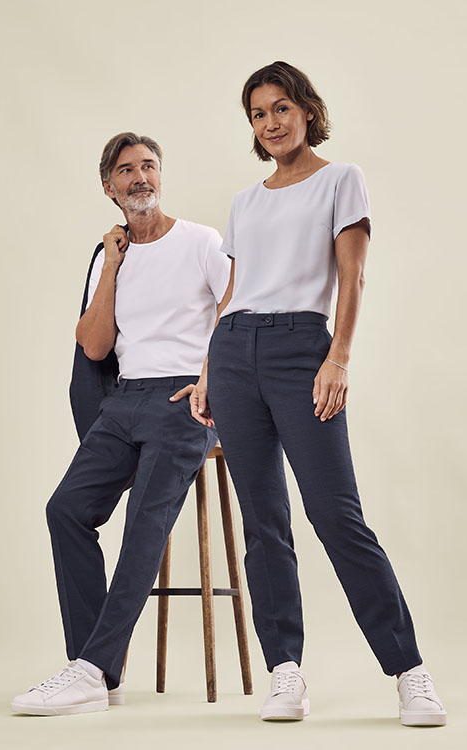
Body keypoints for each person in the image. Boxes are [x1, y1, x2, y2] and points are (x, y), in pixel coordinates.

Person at [189, 61, 446, 727]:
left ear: (306, 109)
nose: (270, 122)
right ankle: (286, 671)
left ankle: (409, 671)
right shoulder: (246, 201)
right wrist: (209, 369)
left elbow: (351, 276)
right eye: (258, 113)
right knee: (263, 522)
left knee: (336, 515)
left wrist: (339, 357)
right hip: (234, 353)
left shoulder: (341, 179)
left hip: (303, 348)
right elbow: (232, 292)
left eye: (281, 107)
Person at [11, 132, 230, 716]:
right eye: (127, 170)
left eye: (149, 166)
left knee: (143, 522)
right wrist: (111, 264)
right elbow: (94, 344)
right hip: (125, 400)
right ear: (110, 187)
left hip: (187, 398)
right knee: (66, 510)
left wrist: (210, 379)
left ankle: (89, 669)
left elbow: (236, 308)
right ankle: (97, 672)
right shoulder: (110, 255)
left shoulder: (201, 241)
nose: (141, 177)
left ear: (162, 175)